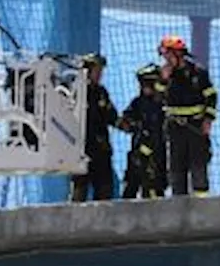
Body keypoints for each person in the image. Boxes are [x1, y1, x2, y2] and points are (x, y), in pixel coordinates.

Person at [154, 35, 217, 197]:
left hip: (195, 127)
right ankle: (178, 207)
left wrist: (208, 119)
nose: (166, 59)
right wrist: (163, 80)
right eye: (164, 56)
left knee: (199, 168)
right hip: (175, 128)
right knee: (176, 169)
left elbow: (211, 96)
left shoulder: (198, 72)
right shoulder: (163, 75)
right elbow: (157, 98)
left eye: (169, 55)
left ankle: (202, 206)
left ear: (178, 54)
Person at [70, 53, 120, 202]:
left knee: (104, 190)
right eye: (97, 71)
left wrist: (126, 124)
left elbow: (111, 116)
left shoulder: (101, 92)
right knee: (79, 191)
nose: (99, 75)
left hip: (101, 149)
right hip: (81, 149)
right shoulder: (75, 92)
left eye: (101, 71)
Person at [119, 64, 168, 199]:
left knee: (154, 191)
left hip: (156, 156)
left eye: (148, 83)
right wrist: (130, 124)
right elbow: (125, 120)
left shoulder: (163, 105)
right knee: (130, 189)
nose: (144, 87)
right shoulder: (138, 103)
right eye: (142, 83)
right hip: (137, 154)